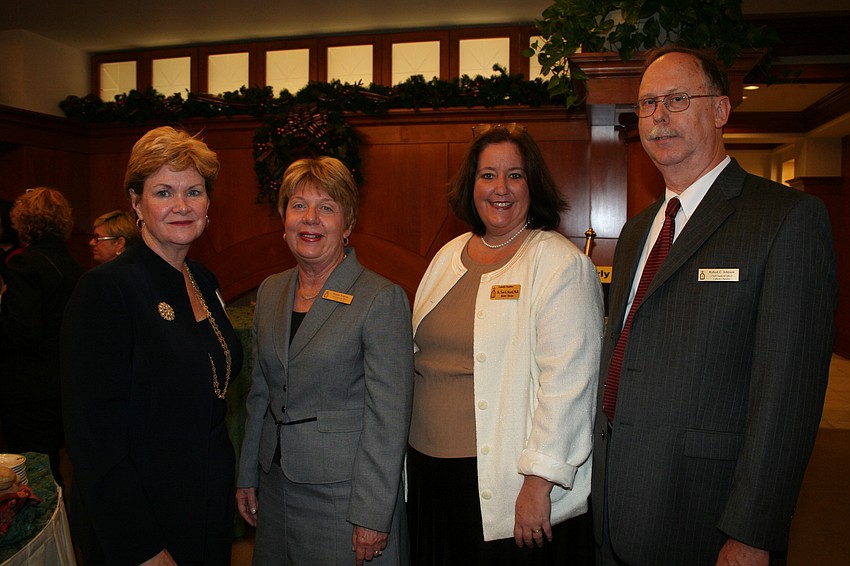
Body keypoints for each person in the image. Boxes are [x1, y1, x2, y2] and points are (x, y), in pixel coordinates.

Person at [592, 47, 837, 566]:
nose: (659, 116)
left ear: (721, 110)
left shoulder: (785, 219)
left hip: (707, 511)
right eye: (647, 104)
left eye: (678, 99)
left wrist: (753, 530)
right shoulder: (638, 229)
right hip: (618, 499)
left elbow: (788, 396)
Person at [408, 123, 603, 565]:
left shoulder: (559, 264)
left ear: (533, 184)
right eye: (488, 175)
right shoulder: (447, 256)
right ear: (471, 184)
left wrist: (538, 481)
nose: (501, 188)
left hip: (502, 482)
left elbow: (570, 384)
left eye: (515, 175)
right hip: (429, 472)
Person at [61, 126, 243, 565]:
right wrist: (140, 545)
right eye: (164, 192)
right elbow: (94, 439)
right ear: (135, 201)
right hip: (143, 517)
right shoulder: (107, 290)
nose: (181, 206)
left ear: (208, 203)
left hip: (206, 506)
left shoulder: (203, 279)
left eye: (194, 192)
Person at [236, 156, 414, 566]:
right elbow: (258, 393)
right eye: (298, 205)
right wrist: (248, 473)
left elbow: (389, 419)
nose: (310, 219)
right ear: (284, 220)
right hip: (275, 489)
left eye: (327, 207)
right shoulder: (271, 290)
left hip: (345, 498)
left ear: (348, 225)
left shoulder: (380, 298)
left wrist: (372, 514)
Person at [0, 188, 83, 485]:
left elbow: (23, 332)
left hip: (29, 391)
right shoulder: (73, 265)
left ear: (22, 222)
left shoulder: (25, 265)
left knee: (32, 478)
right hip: (63, 385)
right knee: (51, 471)